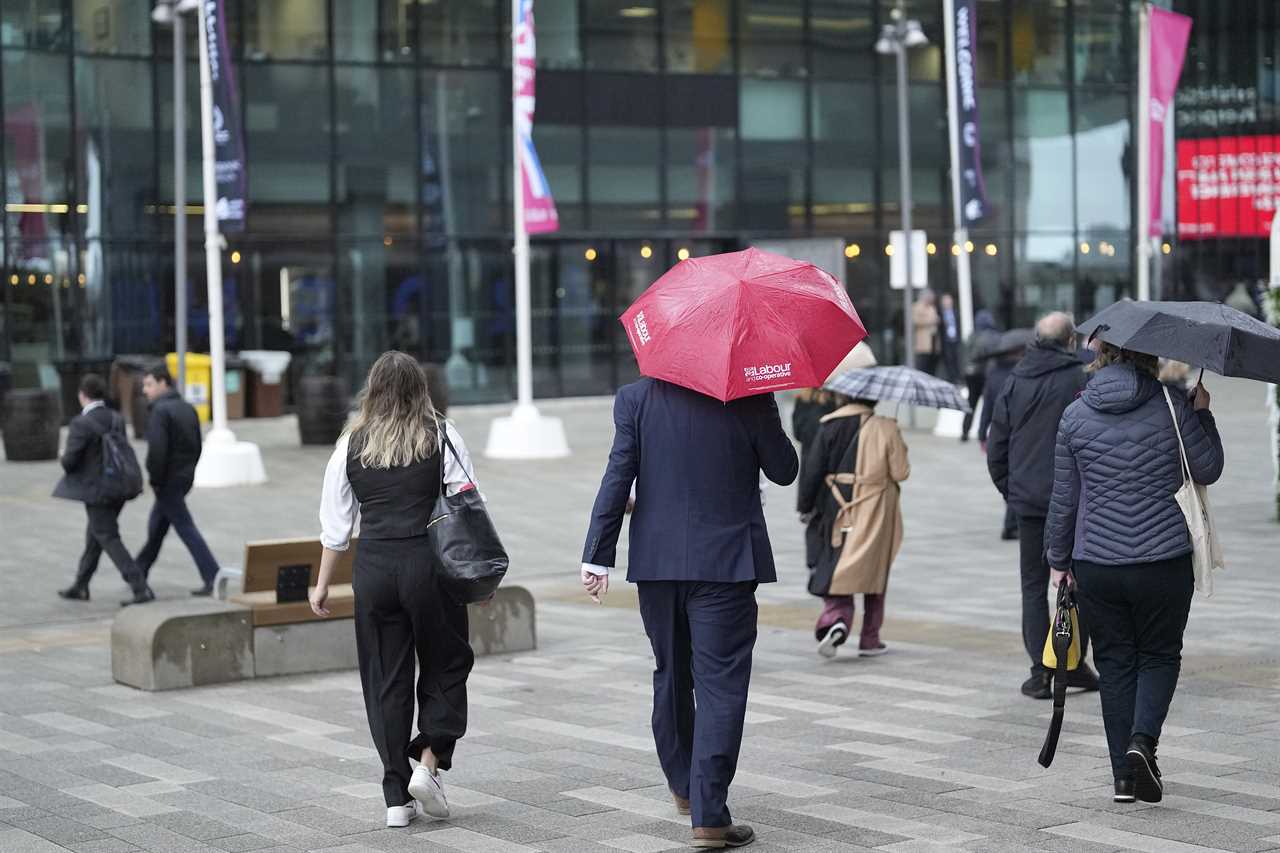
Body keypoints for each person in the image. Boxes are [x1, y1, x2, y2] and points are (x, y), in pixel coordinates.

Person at [581, 378, 798, 850]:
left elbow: (618, 474)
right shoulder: (749, 394)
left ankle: (684, 786)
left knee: (671, 674)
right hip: (725, 562)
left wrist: (597, 555)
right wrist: (767, 408)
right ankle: (709, 814)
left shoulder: (635, 399)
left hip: (658, 563)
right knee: (720, 685)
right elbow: (784, 469)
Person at [1045, 342, 1223, 805]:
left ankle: (1124, 779)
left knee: (1115, 662)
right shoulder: (1172, 404)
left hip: (1097, 564)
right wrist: (1202, 414)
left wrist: (1057, 561)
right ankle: (1143, 742)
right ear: (1150, 355)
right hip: (1162, 560)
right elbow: (1209, 468)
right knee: (1160, 656)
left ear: (1100, 356)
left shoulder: (1075, 414)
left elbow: (1064, 498)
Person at [314, 352, 478, 829]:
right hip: (430, 568)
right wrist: (476, 576)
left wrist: (321, 585)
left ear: (373, 390)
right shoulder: (442, 434)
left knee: (385, 679)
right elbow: (469, 504)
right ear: (420, 390)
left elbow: (336, 527)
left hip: (374, 570)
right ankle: (427, 763)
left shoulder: (350, 444)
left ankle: (394, 796)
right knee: (448, 662)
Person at [987, 312, 1099, 700]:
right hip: (1076, 501)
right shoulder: (1079, 379)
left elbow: (996, 446)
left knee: (1033, 587)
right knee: (1076, 584)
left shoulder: (1015, 380)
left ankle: (1040, 672)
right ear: (1072, 341)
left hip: (1031, 504)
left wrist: (1012, 492)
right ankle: (1074, 663)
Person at [797, 394, 909, 659]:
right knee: (875, 569)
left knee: (837, 563)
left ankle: (837, 618)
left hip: (836, 507)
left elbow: (812, 471)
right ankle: (870, 638)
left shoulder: (828, 425)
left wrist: (805, 506)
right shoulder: (887, 426)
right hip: (876, 510)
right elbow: (901, 472)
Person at [55, 375, 155, 606]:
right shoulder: (115, 418)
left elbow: (70, 462)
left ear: (82, 395)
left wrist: (63, 456)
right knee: (96, 535)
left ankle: (140, 587)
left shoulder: (81, 423)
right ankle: (81, 585)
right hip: (118, 488)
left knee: (108, 537)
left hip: (97, 492)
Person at [133, 365, 221, 595]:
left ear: (164, 383)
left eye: (149, 384)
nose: (145, 390)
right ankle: (138, 571)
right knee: (158, 526)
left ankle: (213, 575)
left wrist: (155, 478)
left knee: (184, 527)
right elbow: (197, 445)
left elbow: (157, 451)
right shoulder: (187, 408)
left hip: (167, 481)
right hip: (183, 478)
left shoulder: (160, 412)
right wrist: (187, 472)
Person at [961, 310, 1001, 442]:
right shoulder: (993, 336)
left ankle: (965, 432)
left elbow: (964, 356)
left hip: (970, 374)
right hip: (985, 374)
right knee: (989, 404)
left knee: (971, 402)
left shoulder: (971, 336)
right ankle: (984, 432)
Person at [912, 289, 941, 376]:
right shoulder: (916, 307)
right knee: (922, 367)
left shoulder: (932, 307)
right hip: (923, 344)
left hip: (933, 341)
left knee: (932, 367)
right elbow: (915, 321)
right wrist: (930, 321)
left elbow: (936, 319)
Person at [939, 293, 962, 383]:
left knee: (957, 359)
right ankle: (951, 379)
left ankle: (958, 378)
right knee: (948, 360)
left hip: (955, 340)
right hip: (946, 341)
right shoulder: (940, 314)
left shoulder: (956, 312)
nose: (947, 303)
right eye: (945, 301)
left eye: (949, 300)